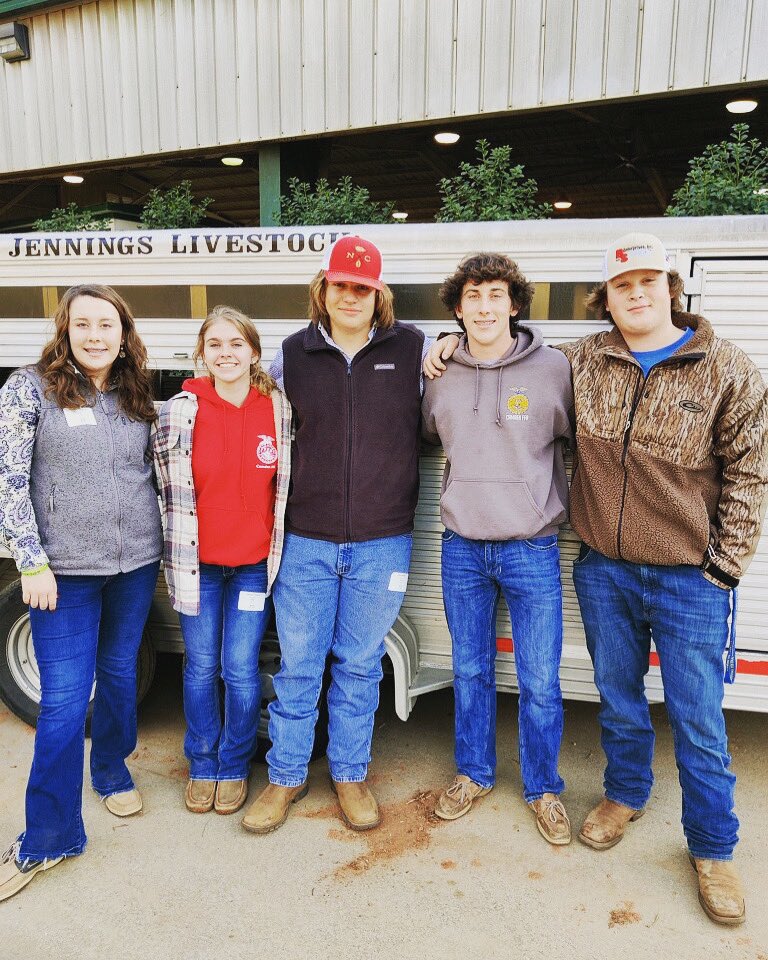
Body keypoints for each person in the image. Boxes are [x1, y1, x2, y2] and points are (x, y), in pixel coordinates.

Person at [425, 233, 767, 926]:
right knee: (618, 700)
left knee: (699, 718)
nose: (636, 294)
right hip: (604, 568)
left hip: (688, 577)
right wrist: (443, 342)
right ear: (605, 299)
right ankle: (625, 795)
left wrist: (725, 566)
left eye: (648, 282)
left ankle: (713, 849)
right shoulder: (583, 360)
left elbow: (751, 470)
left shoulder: (725, 367)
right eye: (622, 286)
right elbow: (493, 357)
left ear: (671, 288)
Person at [241, 235, 431, 834]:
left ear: (379, 295)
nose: (351, 296)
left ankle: (350, 774)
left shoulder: (415, 351)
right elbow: (242, 403)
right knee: (299, 666)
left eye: (362, 288)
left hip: (383, 540)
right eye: (340, 285)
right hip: (306, 539)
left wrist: (453, 343)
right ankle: (285, 776)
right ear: (322, 290)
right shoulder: (289, 356)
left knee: (359, 665)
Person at [0, 284, 162, 903]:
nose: (95, 336)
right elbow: (10, 479)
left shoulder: (136, 391)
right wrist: (30, 561)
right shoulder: (30, 388)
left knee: (119, 674)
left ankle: (112, 769)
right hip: (61, 573)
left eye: (106, 324)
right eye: (83, 324)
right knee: (66, 701)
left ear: (124, 333)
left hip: (134, 564)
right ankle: (49, 835)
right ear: (64, 331)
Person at [422, 253, 573, 843]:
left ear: (515, 305)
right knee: (470, 670)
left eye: (495, 295)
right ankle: (474, 774)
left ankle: (543, 788)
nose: (484, 307)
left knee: (540, 679)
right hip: (461, 546)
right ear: (457, 309)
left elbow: (578, 439)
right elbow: (426, 434)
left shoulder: (554, 368)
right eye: (472, 296)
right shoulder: (438, 372)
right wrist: (439, 348)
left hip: (531, 547)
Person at [153, 305, 291, 816]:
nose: (226, 353)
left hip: (253, 566)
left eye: (237, 344)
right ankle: (202, 762)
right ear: (202, 353)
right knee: (200, 667)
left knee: (240, 669)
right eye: (215, 344)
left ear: (254, 353)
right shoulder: (180, 410)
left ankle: (233, 763)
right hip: (199, 566)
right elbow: (158, 483)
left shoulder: (277, 408)